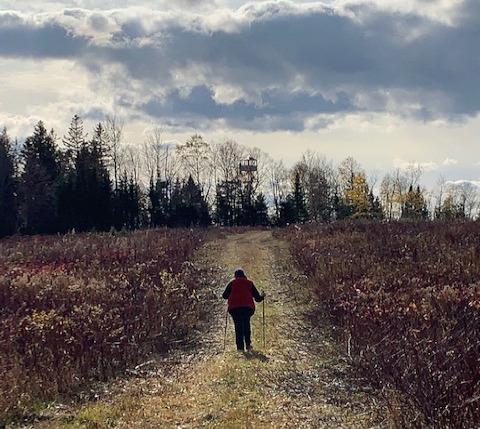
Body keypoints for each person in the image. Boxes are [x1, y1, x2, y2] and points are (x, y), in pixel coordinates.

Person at [222, 268, 265, 352]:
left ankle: (240, 348)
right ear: (244, 275)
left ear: (235, 276)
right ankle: (248, 345)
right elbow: (258, 298)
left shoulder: (232, 283)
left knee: (238, 327)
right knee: (246, 325)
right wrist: (262, 296)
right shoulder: (249, 283)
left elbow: (224, 296)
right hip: (247, 307)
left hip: (234, 308)